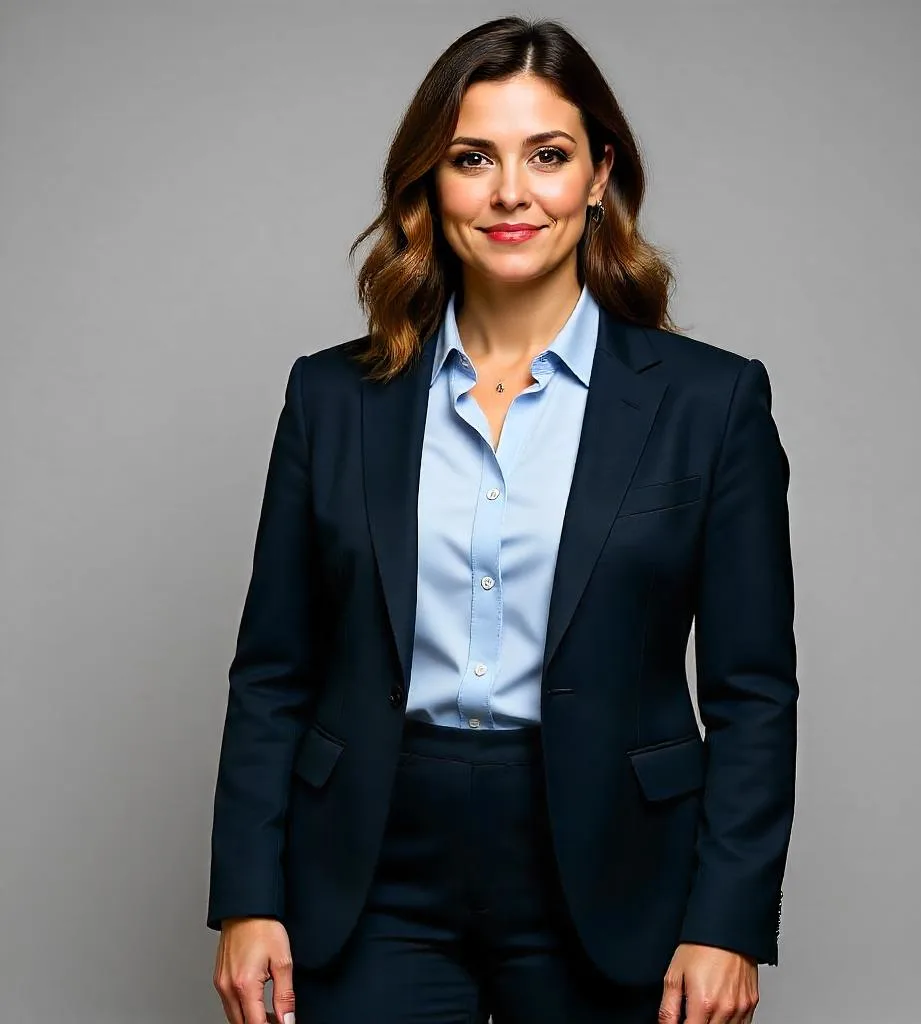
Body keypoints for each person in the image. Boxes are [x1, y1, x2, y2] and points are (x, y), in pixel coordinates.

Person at [207, 15, 798, 1024]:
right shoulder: (332, 398)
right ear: (429, 185)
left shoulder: (710, 403)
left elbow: (751, 690)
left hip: (610, 860)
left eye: (549, 156)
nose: (511, 192)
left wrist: (728, 919)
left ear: (599, 175)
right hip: (372, 859)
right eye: (472, 158)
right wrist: (248, 898)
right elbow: (273, 669)